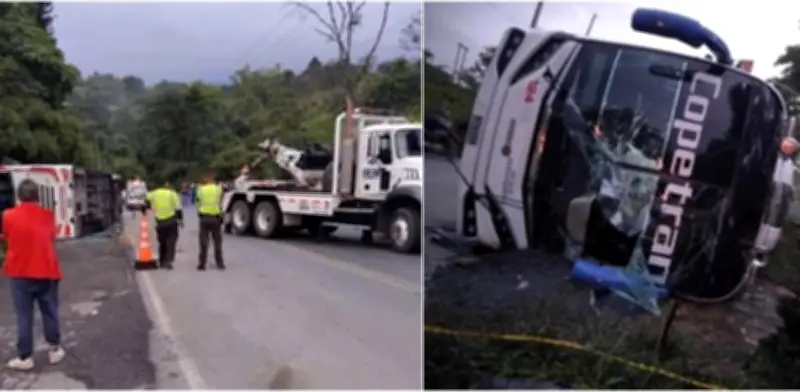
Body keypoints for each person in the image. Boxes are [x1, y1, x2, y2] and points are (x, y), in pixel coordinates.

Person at [2, 179, 65, 370]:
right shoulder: (47, 215)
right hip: (47, 270)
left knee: (24, 316)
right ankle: (54, 349)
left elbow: (7, 236)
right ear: (37, 196)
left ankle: (25, 357)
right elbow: (52, 237)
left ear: (19, 196)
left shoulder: (7, 215)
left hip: (20, 272)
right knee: (49, 311)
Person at [146, 181, 183, 270]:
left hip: (160, 222)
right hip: (171, 220)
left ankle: (162, 260)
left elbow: (146, 200)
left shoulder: (154, 193)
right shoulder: (172, 194)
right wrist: (180, 219)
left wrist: (148, 207)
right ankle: (168, 260)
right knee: (171, 241)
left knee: (162, 242)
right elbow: (178, 208)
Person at [196, 172, 225, 271]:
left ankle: (202, 264)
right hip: (215, 218)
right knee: (217, 242)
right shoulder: (218, 189)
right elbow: (221, 202)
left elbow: (198, 203)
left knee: (203, 242)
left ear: (204, 179)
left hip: (204, 218)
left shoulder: (200, 190)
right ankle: (220, 263)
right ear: (213, 178)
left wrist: (199, 212)